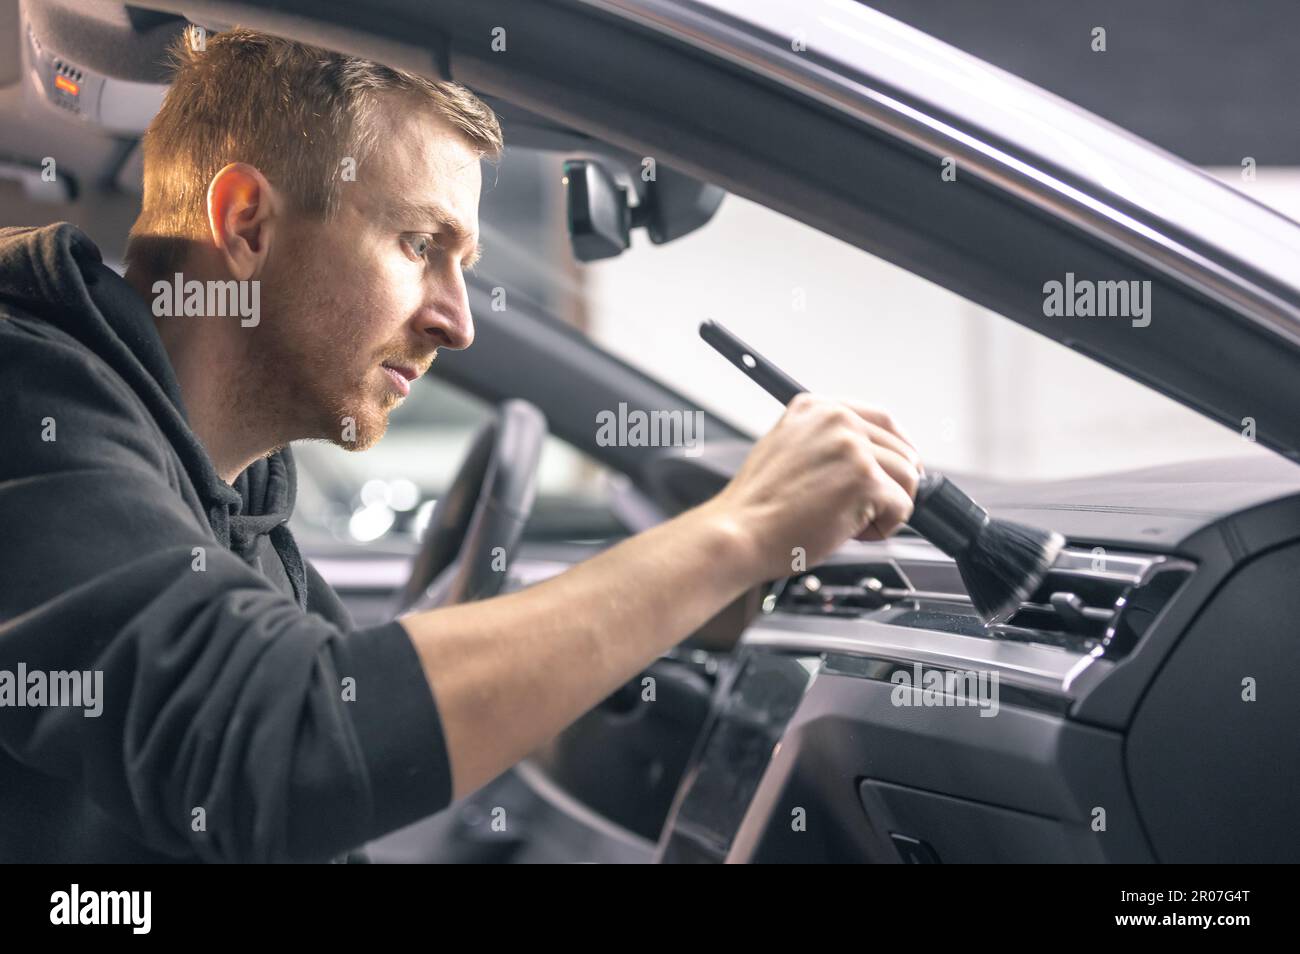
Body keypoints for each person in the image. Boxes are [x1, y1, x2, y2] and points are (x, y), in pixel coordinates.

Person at [0, 29, 921, 862]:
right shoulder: (25, 397)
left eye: (464, 266)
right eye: (417, 244)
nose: (457, 322)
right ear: (245, 225)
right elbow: (279, 748)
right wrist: (738, 533)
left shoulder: (240, 511)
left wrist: (688, 607)